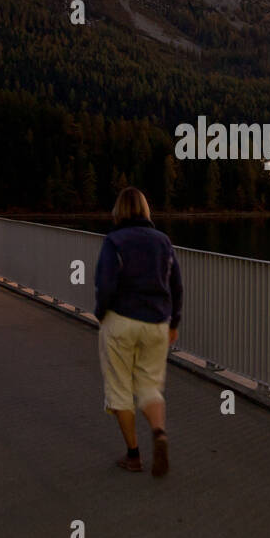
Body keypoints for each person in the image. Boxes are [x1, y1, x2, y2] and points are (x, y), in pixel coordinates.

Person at [94, 187, 182, 477]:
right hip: (156, 323)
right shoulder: (163, 241)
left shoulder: (114, 241)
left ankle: (133, 456)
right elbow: (176, 286)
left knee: (119, 390)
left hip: (120, 321)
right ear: (146, 210)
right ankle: (159, 432)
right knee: (149, 387)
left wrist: (100, 313)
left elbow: (105, 284)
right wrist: (174, 323)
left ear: (118, 211)